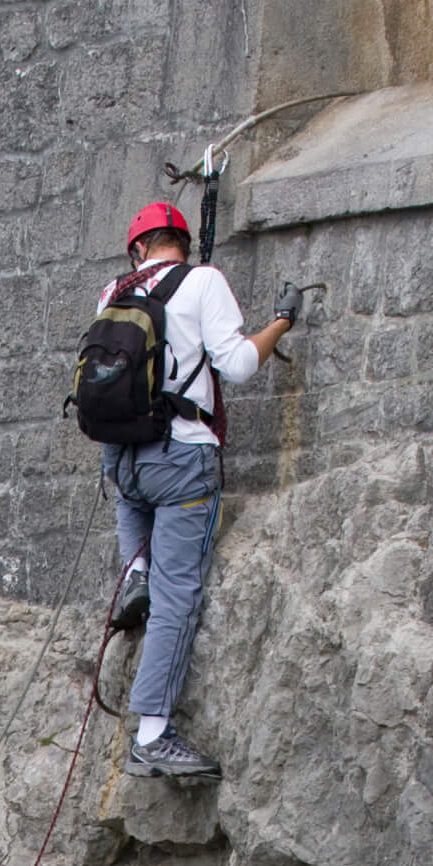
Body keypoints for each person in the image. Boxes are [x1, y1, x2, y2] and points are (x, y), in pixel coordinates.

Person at [97, 201, 301, 782]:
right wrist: (280, 322)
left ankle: (134, 569)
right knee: (177, 597)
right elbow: (235, 365)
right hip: (182, 460)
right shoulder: (203, 280)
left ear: (139, 249)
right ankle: (153, 734)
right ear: (181, 243)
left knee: (143, 540)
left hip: (125, 464)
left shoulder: (115, 290)